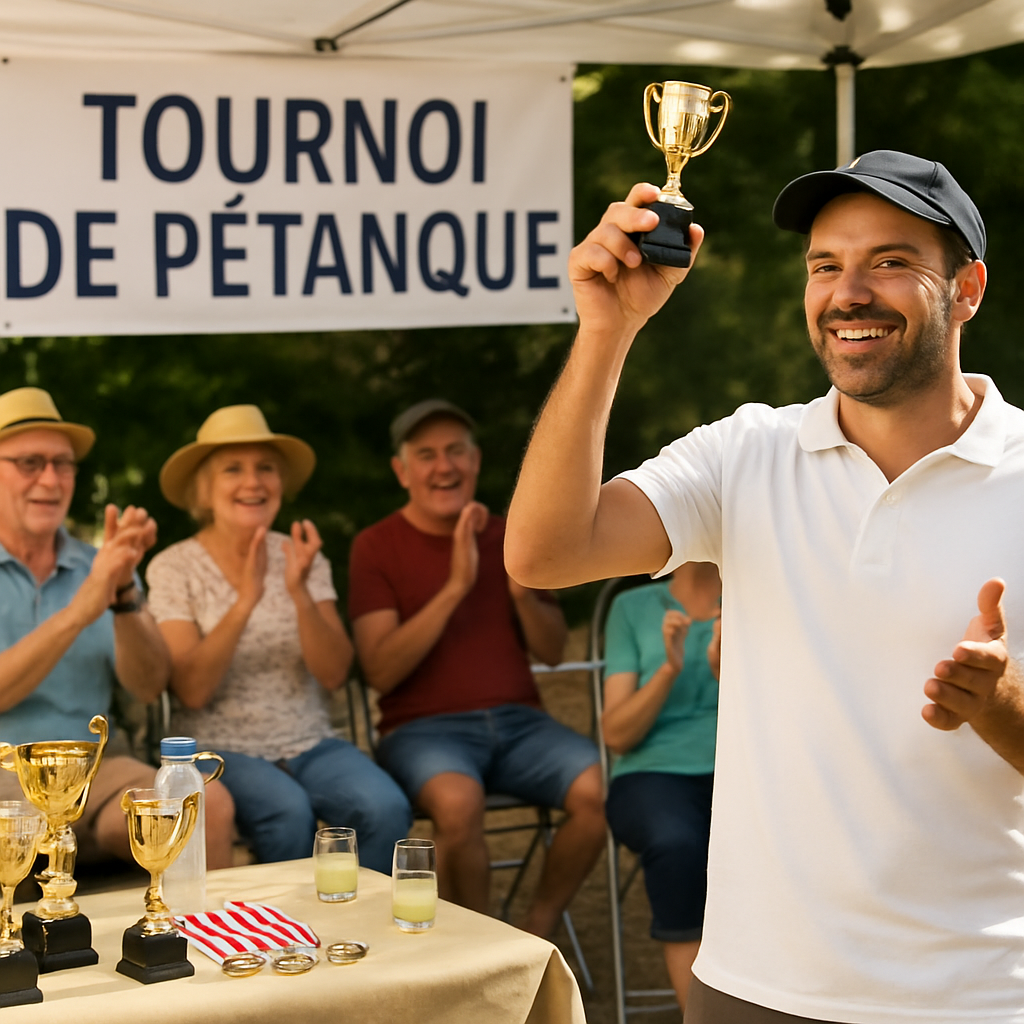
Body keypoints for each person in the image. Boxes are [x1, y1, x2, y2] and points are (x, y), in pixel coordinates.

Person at [504, 150, 1024, 1023]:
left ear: (967, 287)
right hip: (754, 987)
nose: (848, 292)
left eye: (890, 262)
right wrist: (607, 330)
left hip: (975, 994)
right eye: (826, 266)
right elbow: (544, 555)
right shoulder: (745, 453)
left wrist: (1004, 703)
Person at [348, 399, 605, 936]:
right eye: (426, 455)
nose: (444, 466)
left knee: (602, 791)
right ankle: (478, 945)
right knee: (458, 804)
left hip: (520, 724)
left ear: (476, 461)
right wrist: (456, 587)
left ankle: (537, 929)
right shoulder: (375, 546)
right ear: (402, 471)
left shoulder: (515, 532)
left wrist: (523, 595)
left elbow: (554, 650)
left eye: (455, 452)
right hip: (423, 730)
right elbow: (380, 671)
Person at [145, 404, 411, 871]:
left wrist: (299, 593)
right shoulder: (173, 566)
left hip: (310, 742)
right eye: (234, 469)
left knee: (385, 807)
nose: (254, 482)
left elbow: (333, 674)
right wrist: (245, 601)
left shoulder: (301, 555)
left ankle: (357, 930)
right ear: (204, 490)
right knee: (287, 813)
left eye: (266, 468)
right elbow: (190, 687)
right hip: (217, 748)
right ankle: (276, 937)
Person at [0, 386, 234, 869]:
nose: (51, 478)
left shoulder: (99, 565)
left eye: (63, 464)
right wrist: (82, 610)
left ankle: (207, 943)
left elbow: (147, 686)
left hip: (95, 773)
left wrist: (123, 593)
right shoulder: (92, 582)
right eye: (30, 463)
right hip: (4, 774)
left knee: (202, 806)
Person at [602, 562, 721, 1011]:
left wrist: (726, 670)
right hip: (652, 772)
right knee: (678, 844)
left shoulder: (764, 591)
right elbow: (617, 735)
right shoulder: (631, 607)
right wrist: (668, 670)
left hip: (743, 765)